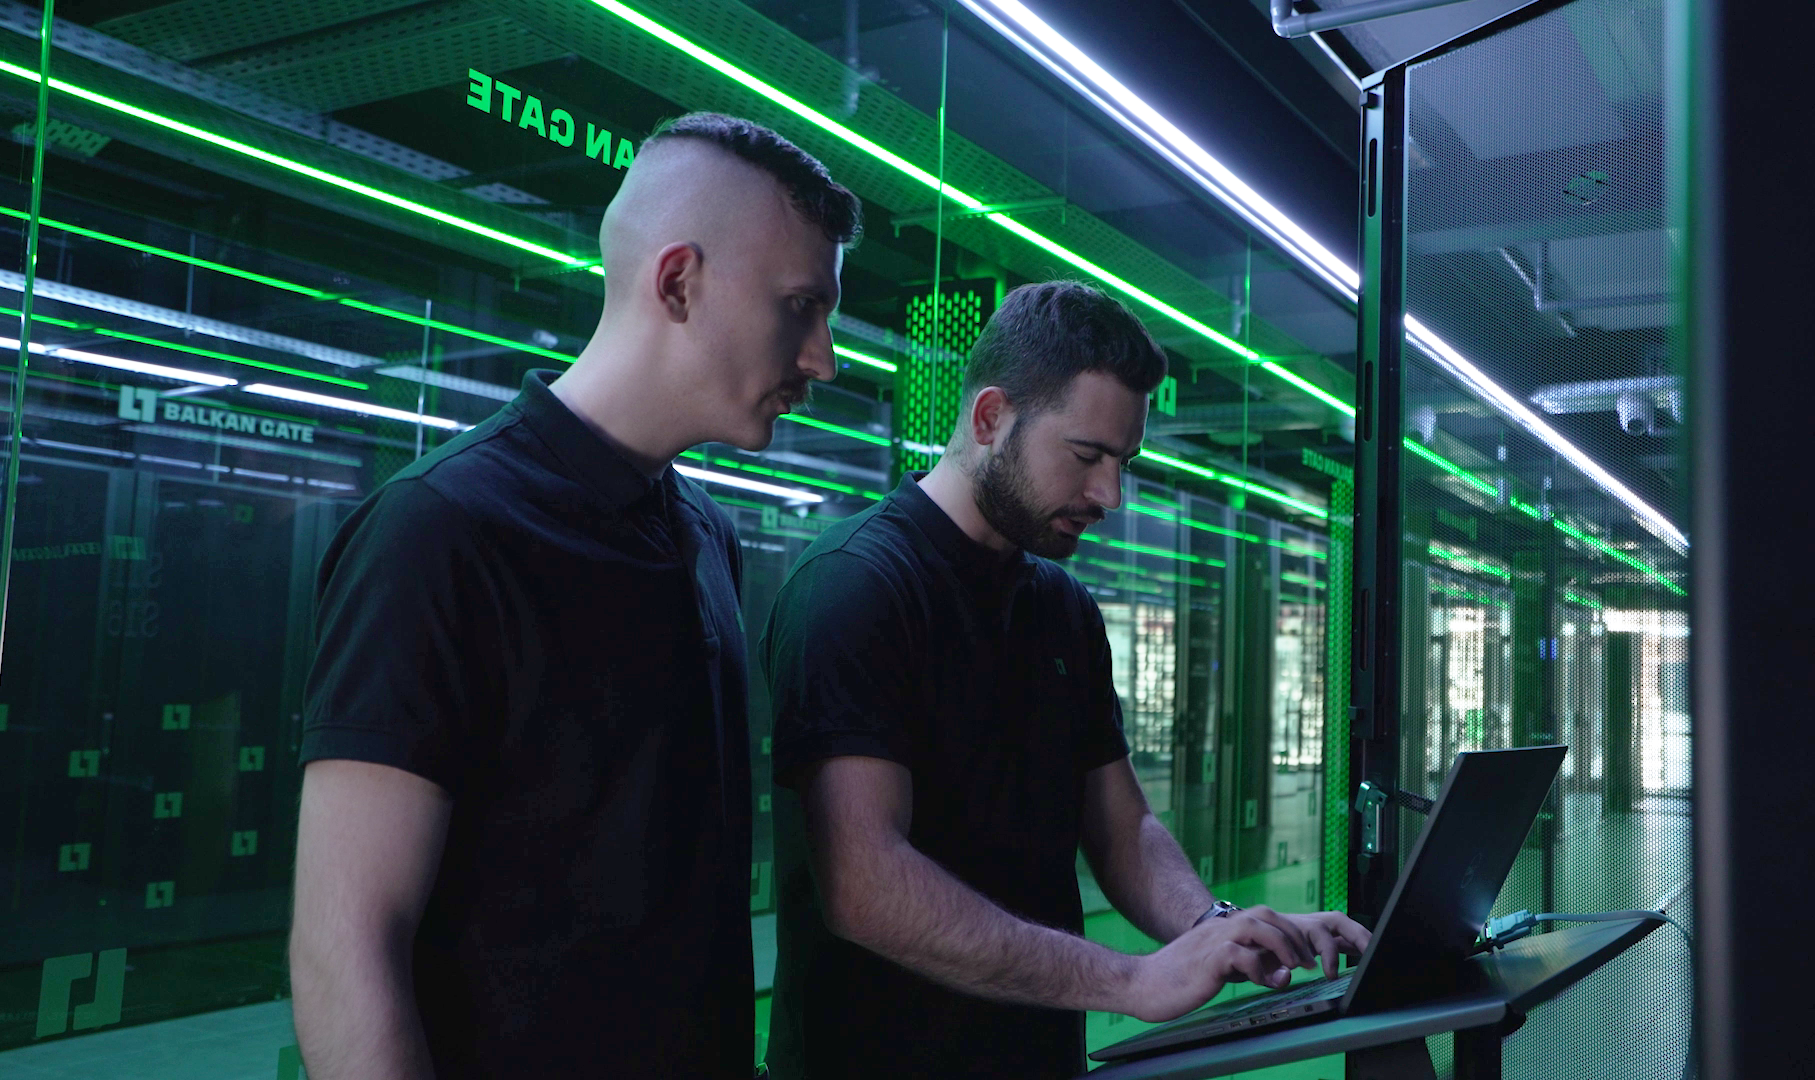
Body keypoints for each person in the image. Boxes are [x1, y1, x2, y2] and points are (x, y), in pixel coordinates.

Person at [288, 112, 859, 1079]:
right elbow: (346, 950)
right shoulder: (441, 531)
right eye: (800, 306)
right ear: (678, 282)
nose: (823, 359)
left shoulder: (704, 537)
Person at [763, 281, 1370, 1078]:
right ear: (989, 419)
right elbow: (865, 886)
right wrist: (1131, 978)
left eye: (1123, 463)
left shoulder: (1063, 608)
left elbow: (1122, 830)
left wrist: (1216, 927)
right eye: (1085, 457)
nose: (1108, 496)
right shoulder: (858, 586)